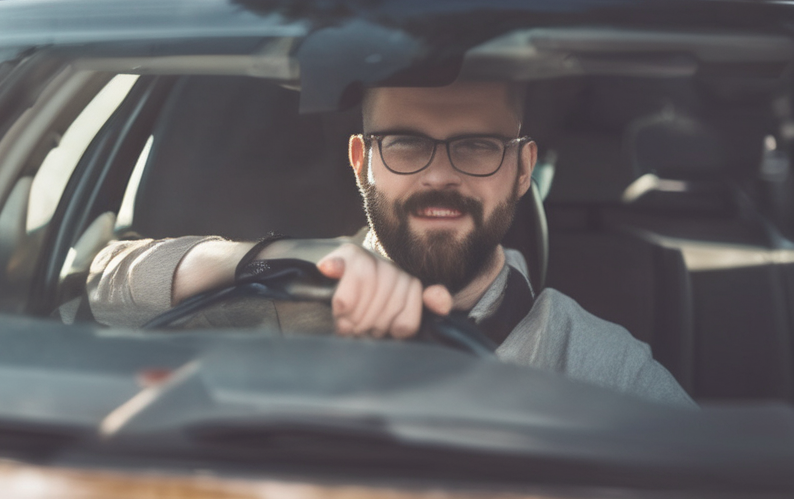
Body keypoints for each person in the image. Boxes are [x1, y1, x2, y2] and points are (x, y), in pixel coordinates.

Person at [87, 81, 693, 406]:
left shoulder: (598, 364)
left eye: (477, 146)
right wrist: (282, 261)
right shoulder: (281, 301)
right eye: (405, 143)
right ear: (361, 160)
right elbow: (102, 290)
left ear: (523, 167)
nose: (439, 176)